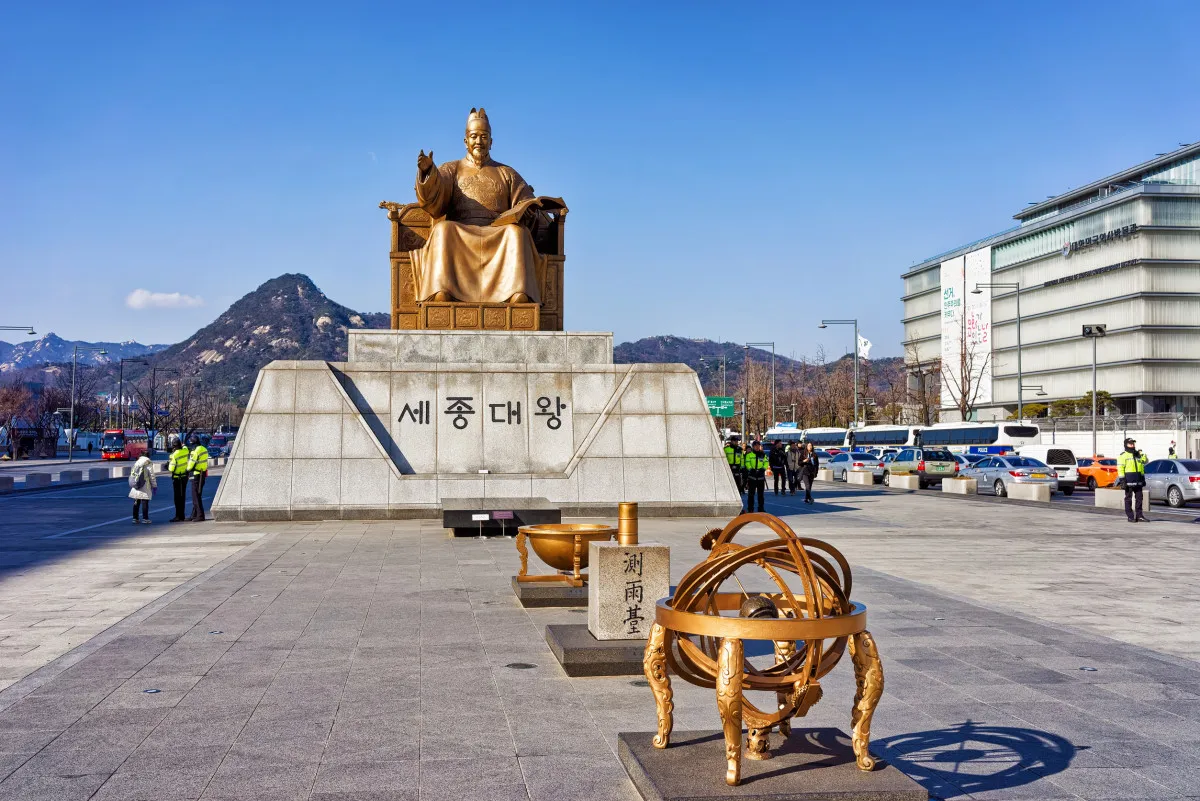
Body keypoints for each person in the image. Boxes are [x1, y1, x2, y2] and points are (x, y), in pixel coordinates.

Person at [1116, 437, 1149, 523]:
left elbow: (1141, 467)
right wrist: (1122, 481)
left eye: (1133, 443)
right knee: (1128, 499)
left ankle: (1139, 516)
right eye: (1130, 444)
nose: (1132, 445)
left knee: (1139, 499)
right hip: (1128, 481)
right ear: (1126, 445)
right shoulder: (1123, 456)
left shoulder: (1138, 455)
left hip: (1138, 481)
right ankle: (1130, 517)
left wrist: (1142, 478)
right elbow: (1120, 469)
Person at [128, 451, 157, 524]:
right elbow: (151, 475)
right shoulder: (148, 462)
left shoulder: (137, 462)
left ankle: (135, 518)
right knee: (145, 502)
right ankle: (145, 518)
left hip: (136, 484)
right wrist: (154, 485)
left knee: (136, 502)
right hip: (144, 484)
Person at [167, 435, 190, 522]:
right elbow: (185, 447)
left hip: (177, 478)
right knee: (182, 496)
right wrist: (183, 445)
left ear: (173, 446)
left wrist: (168, 465)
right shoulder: (185, 451)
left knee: (177, 498)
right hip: (184, 477)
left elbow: (171, 469)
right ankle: (182, 515)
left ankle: (178, 516)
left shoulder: (174, 455)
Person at [186, 435, 209, 522]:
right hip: (202, 474)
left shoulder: (195, 450)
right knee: (197, 495)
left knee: (195, 496)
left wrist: (187, 469)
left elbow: (192, 462)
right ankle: (194, 515)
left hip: (196, 474)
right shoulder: (204, 449)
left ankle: (200, 515)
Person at [743, 440, 768, 513]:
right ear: (753, 447)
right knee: (751, 494)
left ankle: (761, 508)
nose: (757, 447)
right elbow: (747, 463)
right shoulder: (749, 455)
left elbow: (766, 462)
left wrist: (763, 469)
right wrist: (751, 469)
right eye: (755, 446)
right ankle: (750, 508)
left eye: (758, 446)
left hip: (760, 476)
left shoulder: (763, 455)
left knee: (761, 494)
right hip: (752, 476)